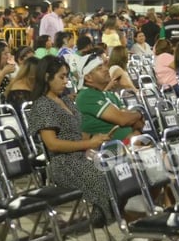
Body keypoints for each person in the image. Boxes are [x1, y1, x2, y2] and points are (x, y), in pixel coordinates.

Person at [28, 55, 114, 226]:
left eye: (67, 76)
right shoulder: (43, 105)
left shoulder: (65, 100)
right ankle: (107, 215)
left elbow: (78, 133)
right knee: (101, 176)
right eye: (62, 77)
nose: (66, 81)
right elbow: (53, 144)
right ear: (47, 77)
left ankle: (111, 213)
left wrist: (95, 140)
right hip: (63, 164)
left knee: (118, 169)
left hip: (82, 156)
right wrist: (89, 144)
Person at [75, 52, 143, 142]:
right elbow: (123, 119)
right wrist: (140, 114)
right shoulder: (86, 96)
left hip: (131, 143)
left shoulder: (109, 94)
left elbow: (135, 122)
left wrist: (135, 126)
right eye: (99, 68)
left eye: (104, 65)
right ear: (88, 78)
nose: (106, 69)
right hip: (111, 151)